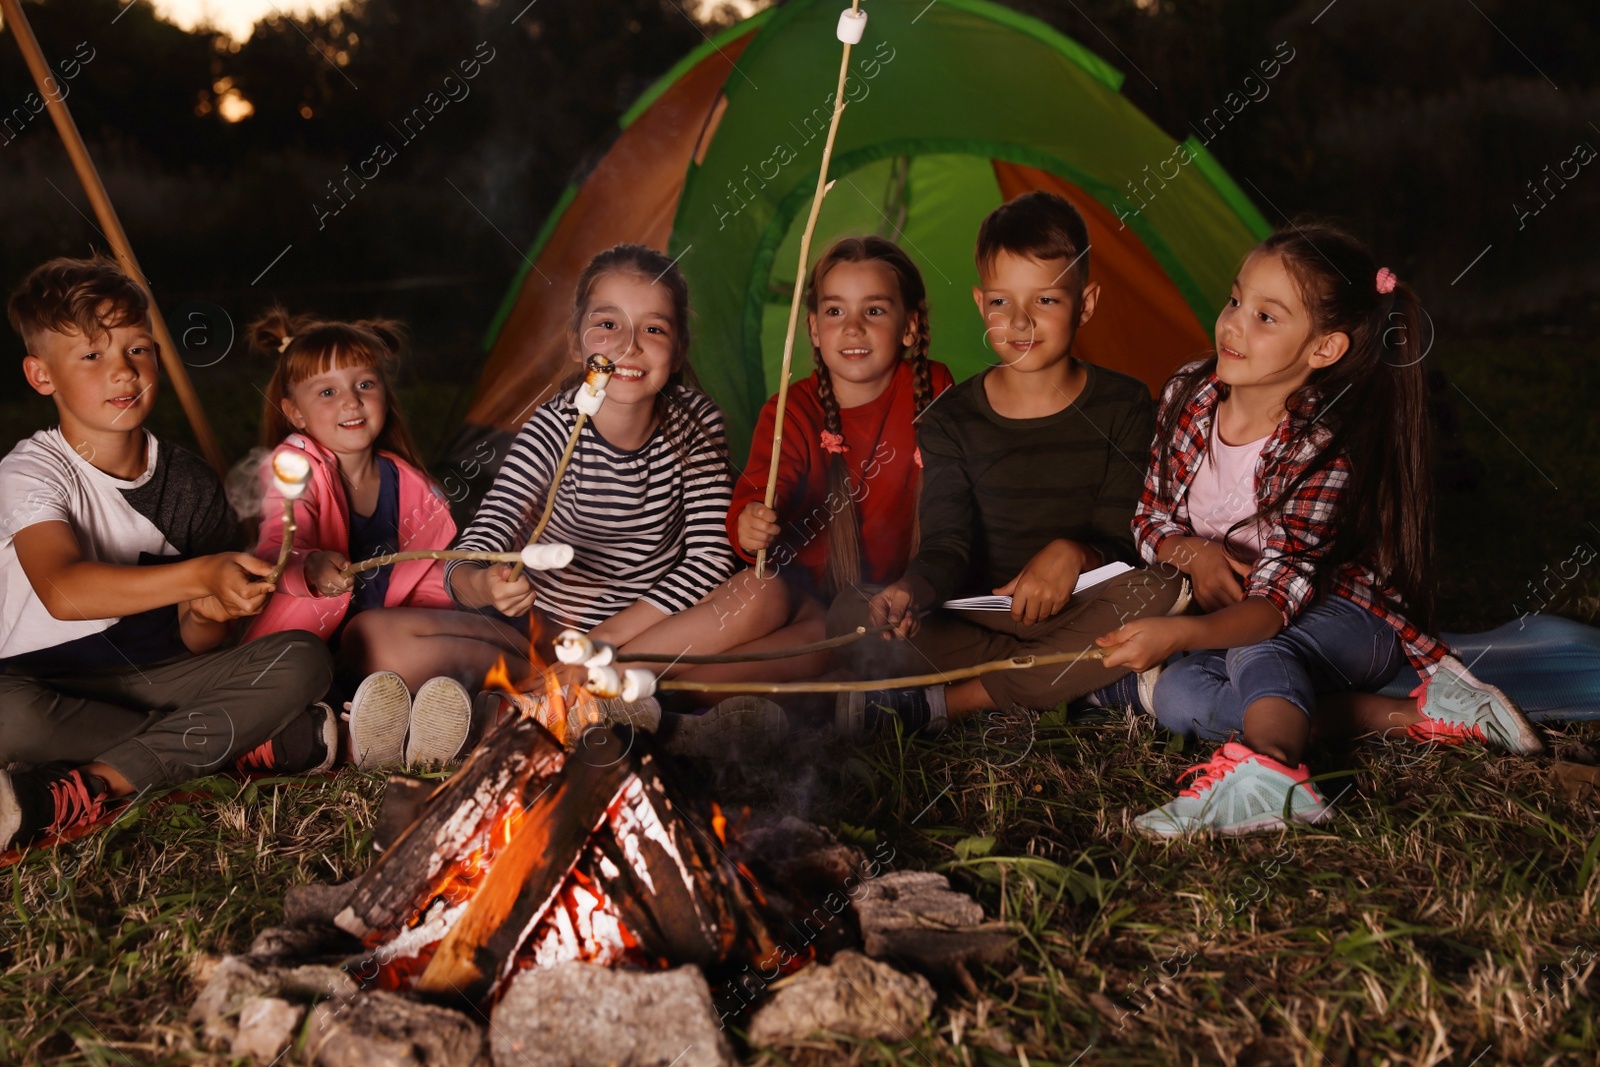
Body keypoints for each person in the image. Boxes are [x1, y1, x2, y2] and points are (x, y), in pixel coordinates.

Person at [1096, 225, 1542, 837]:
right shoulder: (1187, 395)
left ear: (1324, 349)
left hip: (1352, 620)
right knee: (1177, 698)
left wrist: (1181, 630)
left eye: (1265, 317)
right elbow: (1151, 516)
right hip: (1236, 624)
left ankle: (1274, 774)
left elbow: (1272, 610)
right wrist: (1192, 552)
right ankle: (1408, 715)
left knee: (1259, 652)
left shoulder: (1320, 448)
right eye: (1234, 301)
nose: (1233, 325)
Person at [349, 244, 768, 742]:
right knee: (369, 636)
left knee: (762, 591)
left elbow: (709, 560)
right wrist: (487, 586)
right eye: (608, 324)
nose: (629, 345)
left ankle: (556, 700)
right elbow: (475, 545)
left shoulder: (696, 426)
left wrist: (601, 647)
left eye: (654, 329)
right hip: (544, 640)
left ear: (678, 351)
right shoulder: (550, 428)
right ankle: (563, 699)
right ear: (576, 343)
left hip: (647, 637)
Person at [0, 257, 334, 851]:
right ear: (40, 375)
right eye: (92, 356)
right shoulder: (31, 471)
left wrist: (209, 609)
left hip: (156, 681)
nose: (124, 373)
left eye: (139, 350)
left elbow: (196, 639)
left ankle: (88, 787)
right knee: (9, 717)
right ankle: (238, 748)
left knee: (303, 660)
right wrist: (200, 572)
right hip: (36, 684)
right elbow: (62, 589)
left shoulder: (188, 483)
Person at [831, 191, 1181, 734]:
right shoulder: (949, 419)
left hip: (1083, 607)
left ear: (1085, 304)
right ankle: (1079, 681)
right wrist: (910, 592)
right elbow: (948, 546)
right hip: (982, 615)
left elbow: (1125, 538)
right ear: (979, 303)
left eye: (1045, 301)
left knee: (1161, 586)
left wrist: (1072, 554)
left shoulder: (1125, 403)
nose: (1019, 322)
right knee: (853, 613)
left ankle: (952, 702)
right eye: (1001, 303)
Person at [242, 309, 470, 769]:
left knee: (464, 625)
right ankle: (349, 734)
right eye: (327, 392)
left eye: (364, 385)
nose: (351, 402)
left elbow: (427, 588)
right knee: (362, 643)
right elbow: (277, 542)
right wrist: (307, 565)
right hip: (312, 655)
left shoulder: (414, 490)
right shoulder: (294, 469)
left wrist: (444, 624)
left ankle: (430, 716)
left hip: (388, 658)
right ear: (294, 413)